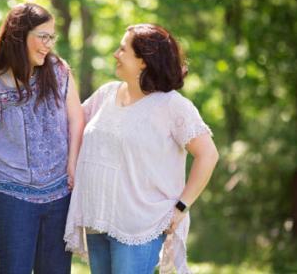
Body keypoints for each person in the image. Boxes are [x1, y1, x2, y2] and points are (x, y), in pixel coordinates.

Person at [65, 24, 219, 274]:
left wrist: (182, 206)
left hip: (139, 225)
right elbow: (72, 125)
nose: (116, 54)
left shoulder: (172, 105)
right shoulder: (106, 94)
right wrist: (63, 77)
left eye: (123, 49)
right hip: (97, 218)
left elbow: (208, 155)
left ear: (143, 62)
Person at [0, 2, 84, 274]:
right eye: (43, 36)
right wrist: (10, 159)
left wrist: (73, 162)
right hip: (12, 198)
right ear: (19, 36)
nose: (48, 44)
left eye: (52, 37)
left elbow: (76, 118)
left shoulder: (58, 71)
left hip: (59, 195)